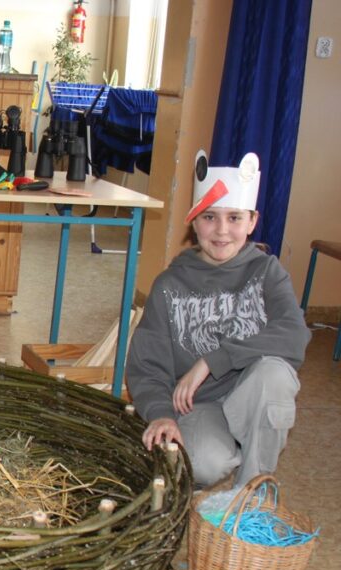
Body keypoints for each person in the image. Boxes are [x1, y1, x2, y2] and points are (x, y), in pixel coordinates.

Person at [126, 150, 310, 489]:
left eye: (235, 218)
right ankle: (233, 440)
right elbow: (146, 365)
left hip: (253, 391)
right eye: (210, 217)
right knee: (202, 464)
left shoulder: (267, 272)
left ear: (252, 221)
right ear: (194, 222)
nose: (222, 231)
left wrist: (212, 361)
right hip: (201, 405)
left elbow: (294, 336)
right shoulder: (170, 285)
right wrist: (162, 413)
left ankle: (252, 489)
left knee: (275, 375)